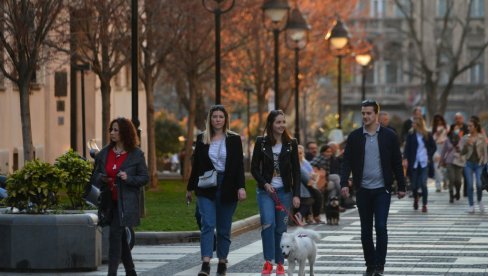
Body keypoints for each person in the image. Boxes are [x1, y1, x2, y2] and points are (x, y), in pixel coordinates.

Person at [340, 100, 405, 276]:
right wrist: (344, 182)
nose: (365, 116)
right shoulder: (354, 137)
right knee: (365, 229)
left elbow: (396, 162)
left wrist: (401, 185)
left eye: (369, 113)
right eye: (363, 113)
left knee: (381, 227)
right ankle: (370, 264)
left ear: (376, 114)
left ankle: (380, 266)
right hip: (363, 190)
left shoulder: (389, 136)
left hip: (382, 189)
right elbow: (346, 162)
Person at [186, 104, 247, 276]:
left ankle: (222, 262)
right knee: (208, 224)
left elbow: (239, 166)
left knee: (224, 227)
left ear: (225, 119)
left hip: (228, 185)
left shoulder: (234, 139)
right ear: (210, 119)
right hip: (206, 187)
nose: (217, 120)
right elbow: (196, 165)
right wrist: (190, 188)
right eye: (214, 117)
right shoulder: (202, 138)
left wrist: (241, 187)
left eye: (221, 117)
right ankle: (205, 263)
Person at [92, 117, 149, 276]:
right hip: (109, 202)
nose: (112, 133)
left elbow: (145, 178)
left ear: (125, 132)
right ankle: (130, 270)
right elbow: (94, 176)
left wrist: (128, 178)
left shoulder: (136, 154)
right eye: (111, 129)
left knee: (114, 236)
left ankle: (112, 273)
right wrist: (102, 178)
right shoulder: (104, 152)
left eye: (116, 130)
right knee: (121, 236)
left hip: (126, 203)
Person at [251, 110, 300, 276]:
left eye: (283, 122)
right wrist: (265, 184)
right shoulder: (261, 142)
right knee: (268, 224)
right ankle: (268, 261)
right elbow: (254, 168)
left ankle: (280, 263)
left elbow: (296, 171)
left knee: (280, 229)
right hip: (266, 192)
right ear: (271, 123)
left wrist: (296, 194)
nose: (281, 125)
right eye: (278, 122)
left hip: (285, 192)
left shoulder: (291, 143)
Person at [403, 117, 436, 213]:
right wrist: (405, 158)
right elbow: (407, 148)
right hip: (414, 162)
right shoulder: (411, 134)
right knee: (414, 186)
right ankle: (416, 199)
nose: (413, 125)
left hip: (424, 162)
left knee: (423, 184)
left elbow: (433, 146)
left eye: (415, 124)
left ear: (419, 125)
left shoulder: (427, 134)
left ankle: (424, 204)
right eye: (413, 123)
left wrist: (429, 155)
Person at [460, 116, 487, 213]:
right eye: (468, 126)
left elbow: (485, 151)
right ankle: (471, 205)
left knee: (479, 184)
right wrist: (466, 145)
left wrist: (485, 163)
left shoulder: (482, 137)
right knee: (470, 185)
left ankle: (479, 200)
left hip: (479, 164)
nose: (468, 128)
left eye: (470, 126)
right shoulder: (465, 138)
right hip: (468, 164)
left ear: (475, 127)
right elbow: (462, 153)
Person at [296, 145, 324, 225]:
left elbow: (311, 173)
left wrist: (313, 176)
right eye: (297, 153)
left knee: (316, 195)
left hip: (307, 184)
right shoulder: (296, 164)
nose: (299, 155)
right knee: (315, 196)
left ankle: (306, 216)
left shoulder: (305, 162)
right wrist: (312, 177)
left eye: (301, 153)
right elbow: (306, 178)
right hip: (302, 185)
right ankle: (312, 216)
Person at [440, 128, 465, 203]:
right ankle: (451, 195)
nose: (454, 135)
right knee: (451, 179)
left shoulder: (461, 140)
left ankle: (457, 192)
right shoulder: (447, 140)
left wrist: (459, 149)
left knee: (458, 180)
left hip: (458, 161)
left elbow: (464, 150)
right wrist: (442, 160)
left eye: (456, 134)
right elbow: (443, 151)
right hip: (449, 161)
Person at [431, 114, 449, 192]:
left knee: (445, 168)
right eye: (437, 121)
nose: (439, 122)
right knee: (436, 167)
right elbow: (432, 140)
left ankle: (445, 181)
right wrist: (437, 134)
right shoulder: (433, 129)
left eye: (440, 120)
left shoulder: (447, 127)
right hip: (437, 148)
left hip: (446, 149)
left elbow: (449, 137)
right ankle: (438, 186)